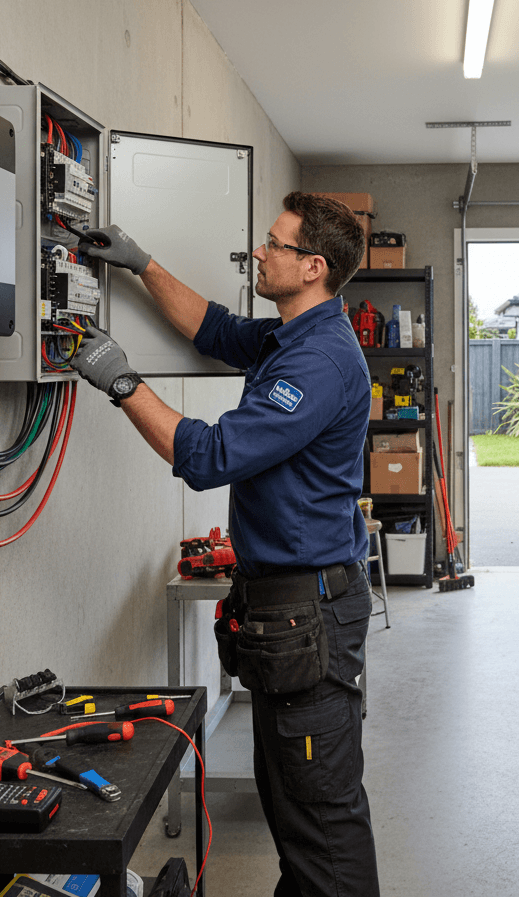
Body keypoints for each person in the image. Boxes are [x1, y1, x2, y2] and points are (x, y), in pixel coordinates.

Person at [72, 192, 379, 897]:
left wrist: (123, 382)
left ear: (313, 267)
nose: (258, 253)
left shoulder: (319, 361)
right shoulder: (289, 336)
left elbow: (209, 456)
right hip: (286, 616)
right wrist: (140, 264)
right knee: (295, 813)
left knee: (322, 827)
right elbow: (212, 327)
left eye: (274, 244)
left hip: (309, 619)